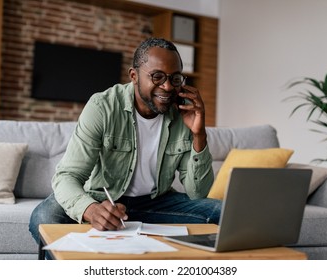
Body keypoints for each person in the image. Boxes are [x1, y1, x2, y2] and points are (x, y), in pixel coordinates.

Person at [29, 37, 221, 243]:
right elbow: (67, 176)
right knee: (44, 218)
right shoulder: (103, 107)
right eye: (157, 76)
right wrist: (90, 210)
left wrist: (198, 134)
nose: (167, 87)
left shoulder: (183, 113)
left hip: (157, 202)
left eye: (175, 79)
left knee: (223, 213)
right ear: (134, 76)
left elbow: (198, 193)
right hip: (103, 199)